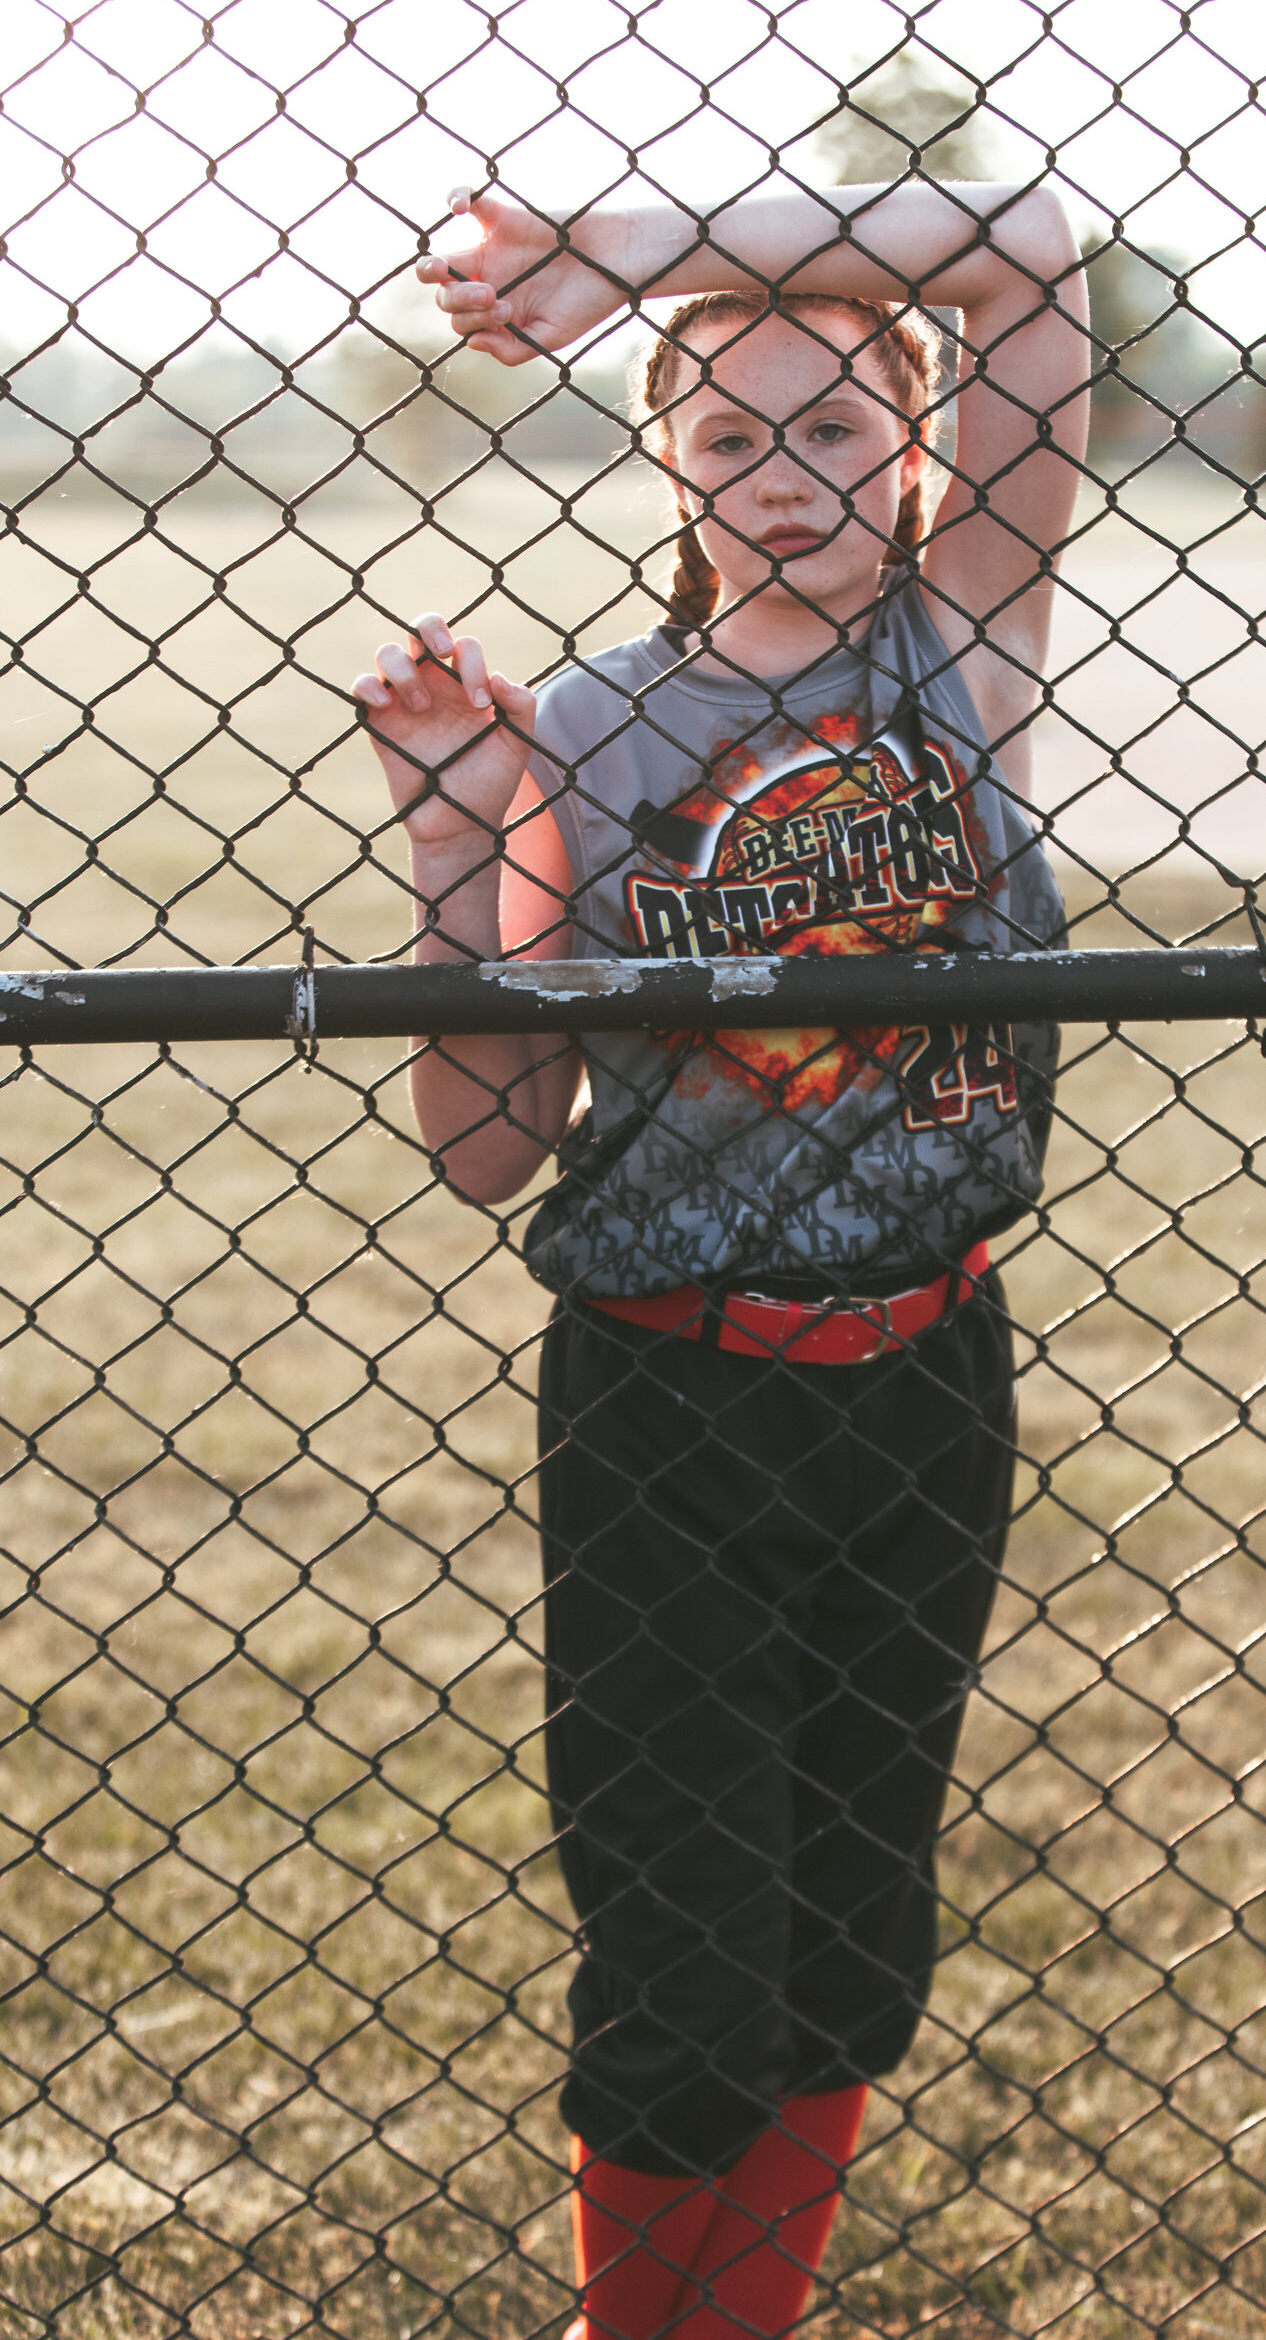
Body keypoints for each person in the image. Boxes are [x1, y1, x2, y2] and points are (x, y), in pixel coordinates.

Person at [352, 177, 1088, 2340]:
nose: (788, 481)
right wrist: (458, 835)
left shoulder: (964, 640)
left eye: (839, 431)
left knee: (852, 1949)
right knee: (684, 1968)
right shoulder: (588, 729)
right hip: (669, 1391)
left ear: (919, 454)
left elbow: (1026, 254)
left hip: (930, 1377)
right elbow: (487, 1153)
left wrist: (630, 241)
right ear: (663, 466)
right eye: (733, 437)